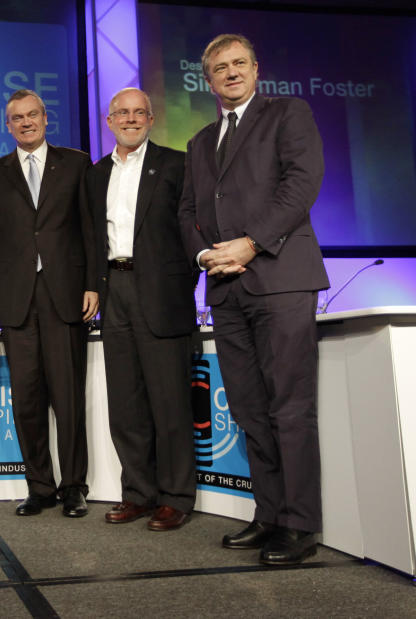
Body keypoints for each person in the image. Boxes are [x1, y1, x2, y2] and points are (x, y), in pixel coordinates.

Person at [178, 34, 328, 565]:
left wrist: (251, 242)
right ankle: (269, 515)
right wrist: (204, 257)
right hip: (225, 288)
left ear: (256, 69)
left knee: (290, 408)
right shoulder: (199, 142)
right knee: (249, 409)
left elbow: (302, 183)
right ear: (208, 79)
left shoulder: (288, 113)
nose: (231, 72)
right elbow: (189, 212)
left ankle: (300, 525)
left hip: (281, 279)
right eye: (220, 67)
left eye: (239, 63)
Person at [0, 89, 99, 518]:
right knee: (26, 401)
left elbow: (90, 230)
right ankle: (39, 487)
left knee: (68, 400)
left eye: (33, 115)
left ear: (46, 119)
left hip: (66, 297)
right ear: (7, 125)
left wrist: (92, 284)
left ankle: (74, 487)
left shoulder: (77, 164)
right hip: (16, 301)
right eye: (17, 117)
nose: (26, 122)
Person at [85, 88, 196, 531]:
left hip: (162, 293)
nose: (130, 119)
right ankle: (138, 492)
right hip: (115, 292)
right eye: (121, 113)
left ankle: (175, 496)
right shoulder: (95, 174)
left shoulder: (176, 164)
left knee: (169, 402)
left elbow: (192, 229)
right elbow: (92, 237)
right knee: (126, 403)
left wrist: (182, 282)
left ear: (151, 118)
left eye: (138, 113)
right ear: (109, 121)